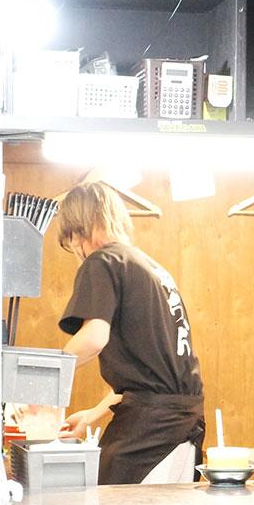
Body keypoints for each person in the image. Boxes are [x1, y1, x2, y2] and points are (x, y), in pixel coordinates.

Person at [55, 181, 205, 485]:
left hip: (152, 430)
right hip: (179, 423)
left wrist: (42, 375)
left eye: (72, 239)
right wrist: (91, 414)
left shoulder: (103, 261)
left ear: (78, 228)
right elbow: (148, 373)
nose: (76, 249)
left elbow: (94, 338)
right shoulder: (148, 267)